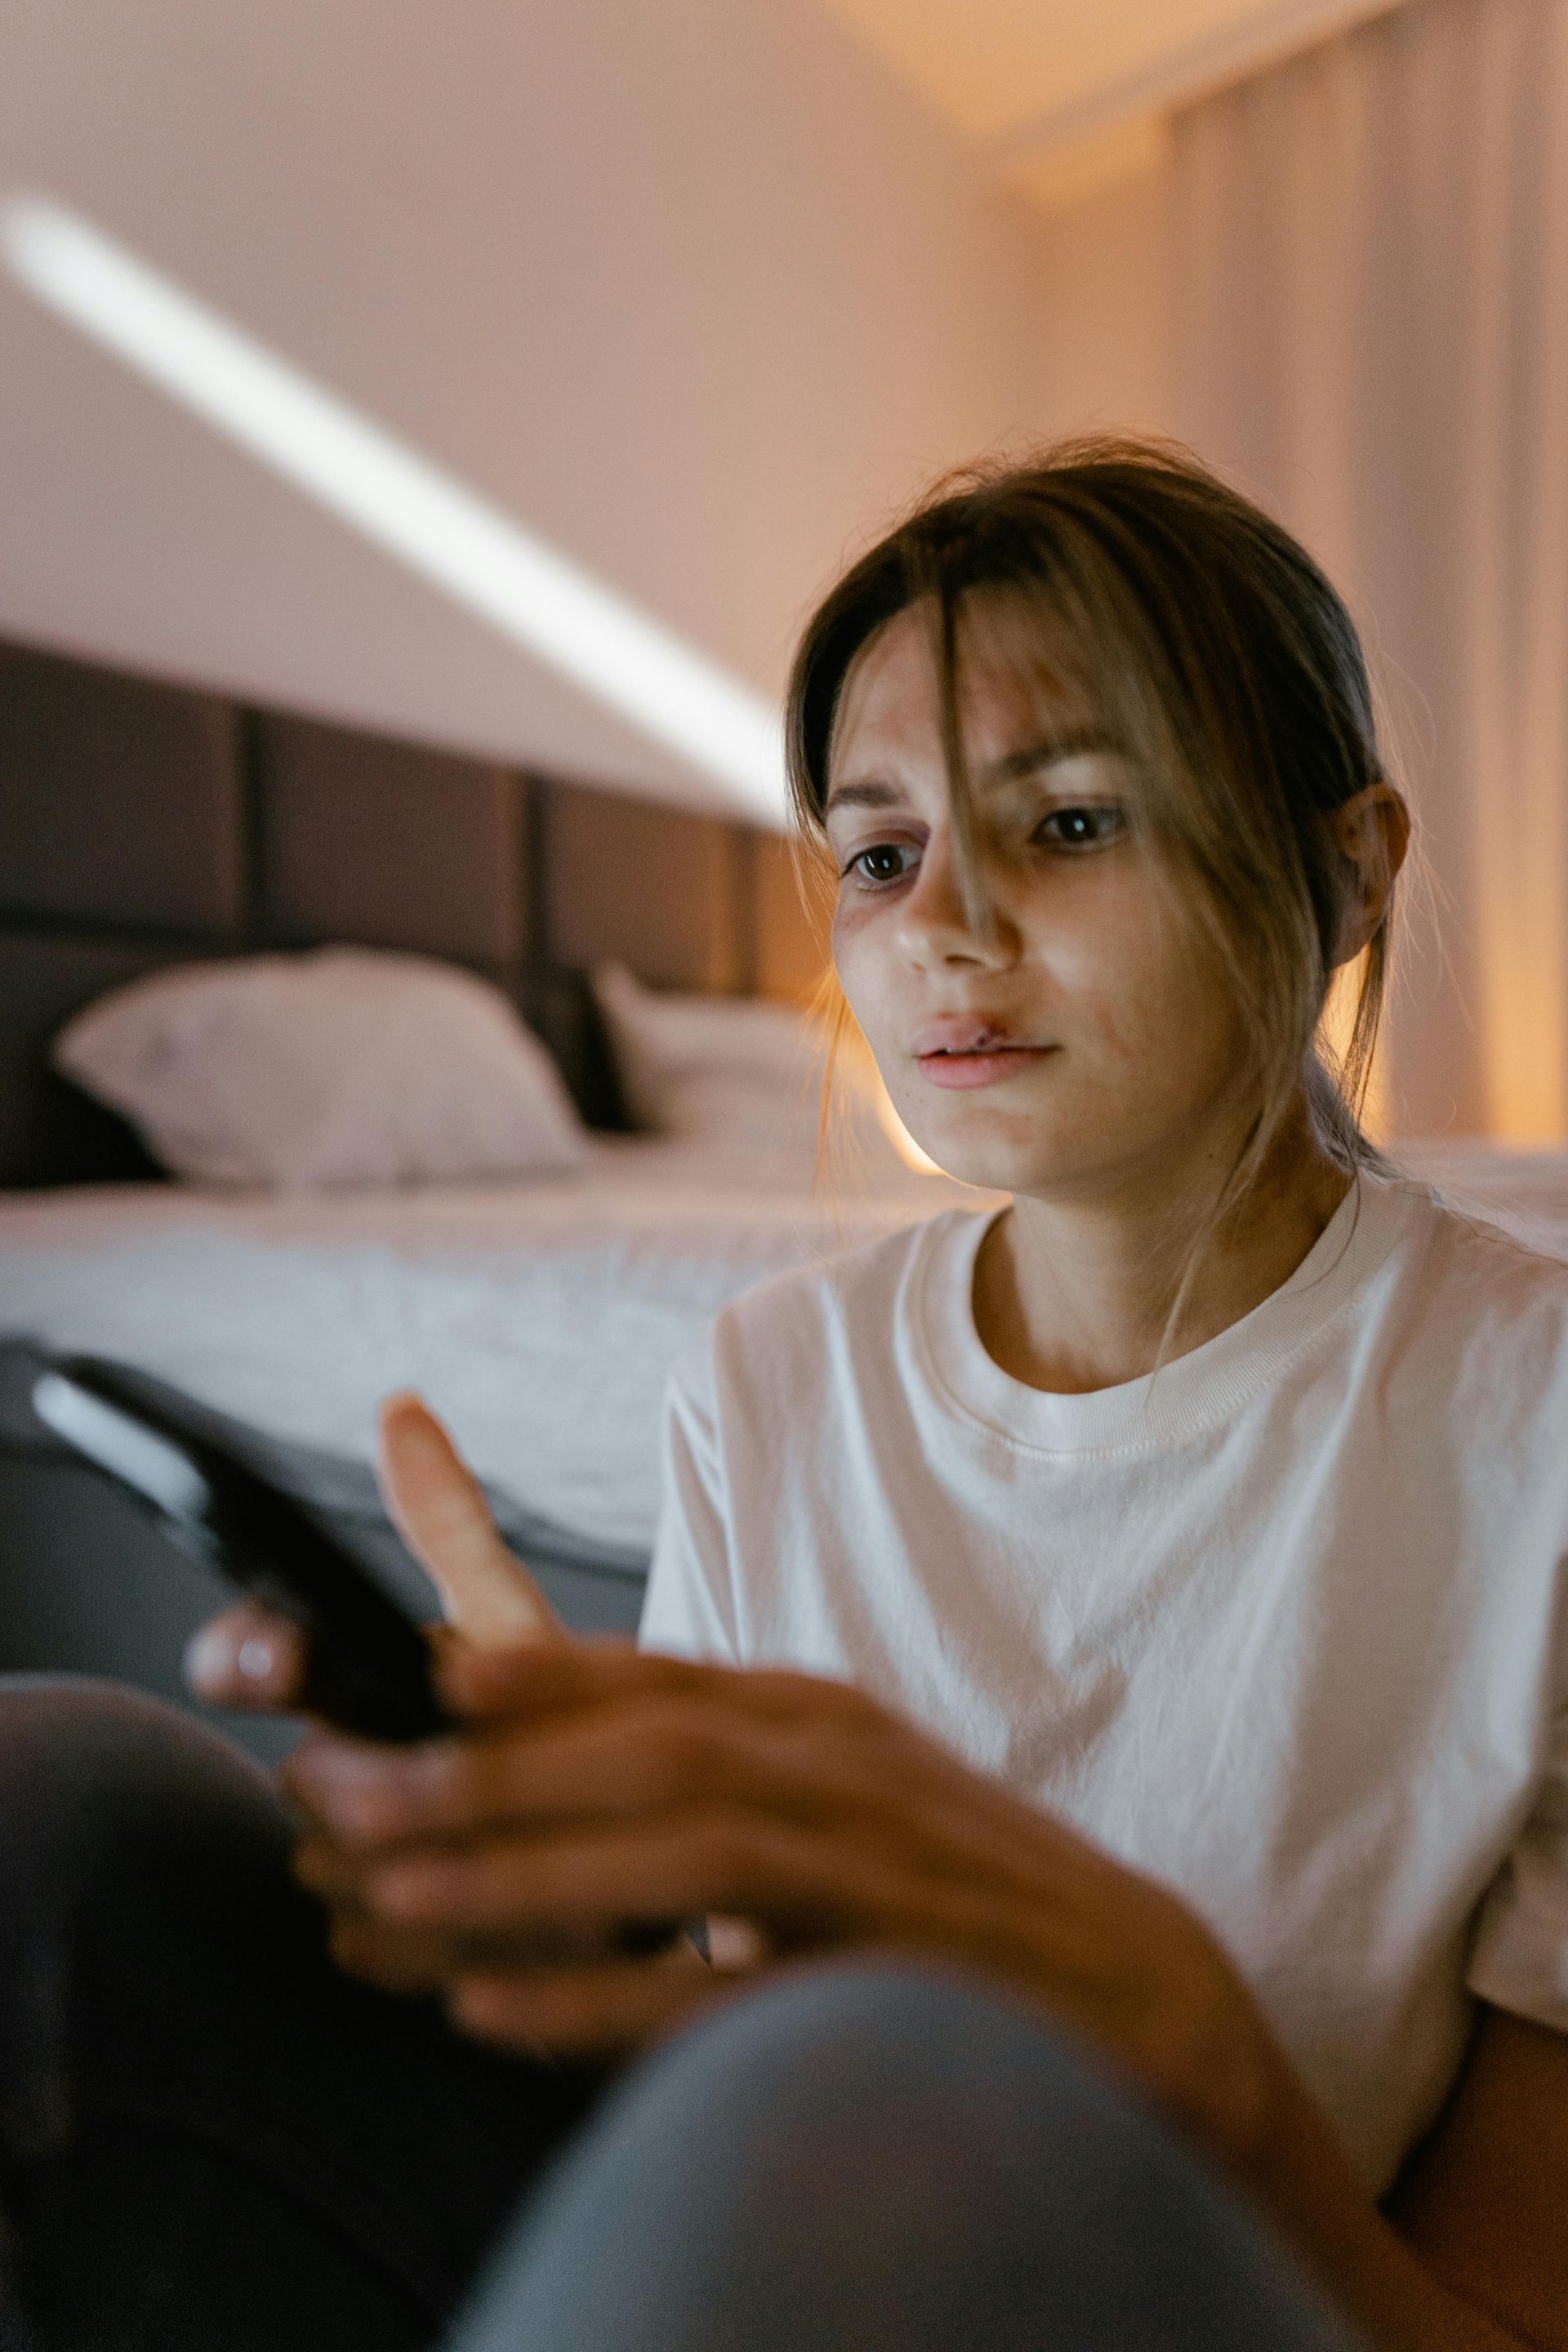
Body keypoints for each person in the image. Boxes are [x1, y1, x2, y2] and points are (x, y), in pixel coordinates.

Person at [3, 438, 1567, 2352]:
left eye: (1068, 822)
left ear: (1346, 875)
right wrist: (558, 1919)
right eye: (883, 852)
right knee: (60, 1804)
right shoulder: (772, 1375)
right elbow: (711, 2035)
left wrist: (1195, 2081)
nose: (939, 930)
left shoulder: (1534, 1424)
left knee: (851, 2108)